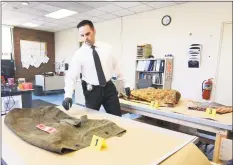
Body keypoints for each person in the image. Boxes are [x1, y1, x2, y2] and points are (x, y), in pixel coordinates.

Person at [62, 20, 130, 117]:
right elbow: (71, 76)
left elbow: (117, 67)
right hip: (92, 91)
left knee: (117, 117)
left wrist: (125, 84)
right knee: (91, 120)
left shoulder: (107, 48)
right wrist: (68, 95)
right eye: (82, 35)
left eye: (87, 34)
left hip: (109, 88)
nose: (85, 38)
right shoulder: (79, 54)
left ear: (94, 31)